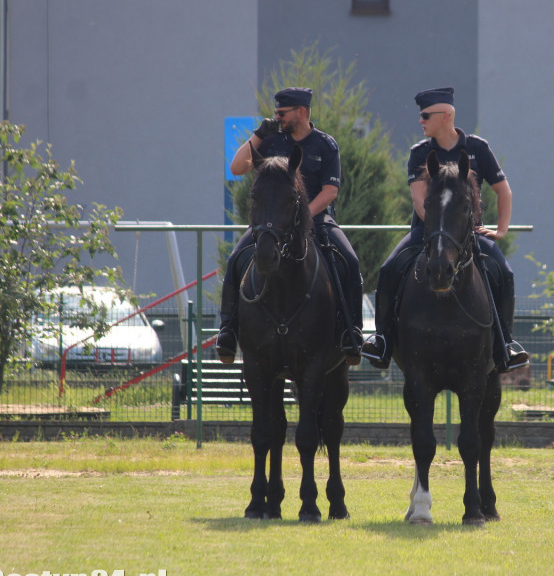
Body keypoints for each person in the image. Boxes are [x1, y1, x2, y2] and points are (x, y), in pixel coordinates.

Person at [361, 86, 529, 373]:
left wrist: (500, 231)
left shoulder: (478, 148)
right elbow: (418, 199)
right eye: (421, 115)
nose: (421, 120)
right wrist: (439, 230)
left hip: (471, 233)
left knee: (505, 272)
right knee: (389, 269)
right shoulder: (419, 153)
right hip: (425, 231)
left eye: (426, 115)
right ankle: (383, 339)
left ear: (446, 115)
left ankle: (506, 342)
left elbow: (504, 191)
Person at [216, 87, 364, 364]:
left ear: (302, 112)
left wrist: (302, 216)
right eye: (276, 112)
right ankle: (227, 331)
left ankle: (351, 332)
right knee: (236, 259)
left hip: (317, 218)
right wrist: (259, 134)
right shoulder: (270, 140)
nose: (278, 117)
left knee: (350, 262)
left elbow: (330, 191)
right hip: (271, 222)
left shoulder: (325, 145)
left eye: (283, 113)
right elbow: (236, 168)